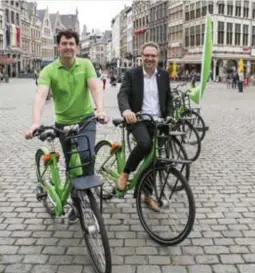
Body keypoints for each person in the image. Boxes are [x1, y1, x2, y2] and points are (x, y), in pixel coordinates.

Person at [25, 29, 109, 223]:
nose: (68, 47)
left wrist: (101, 110)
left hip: (86, 120)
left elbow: (95, 87)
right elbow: (40, 96)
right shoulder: (49, 70)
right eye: (64, 43)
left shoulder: (86, 64)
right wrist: (36, 122)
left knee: (86, 156)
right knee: (72, 165)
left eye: (71, 44)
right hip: (63, 124)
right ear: (58, 46)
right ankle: (76, 201)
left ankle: (87, 194)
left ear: (77, 47)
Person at [117, 41, 173, 211]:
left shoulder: (163, 75)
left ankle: (147, 195)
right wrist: (127, 110)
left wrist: (170, 115)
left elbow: (168, 98)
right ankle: (126, 172)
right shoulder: (132, 74)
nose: (150, 58)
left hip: (158, 121)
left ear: (158, 57)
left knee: (154, 159)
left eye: (153, 56)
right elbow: (123, 94)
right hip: (138, 119)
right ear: (142, 57)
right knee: (145, 144)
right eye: (147, 55)